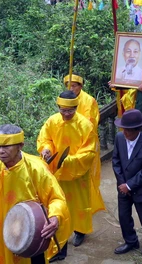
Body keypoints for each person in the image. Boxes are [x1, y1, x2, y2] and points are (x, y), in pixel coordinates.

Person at [0, 124, 71, 264]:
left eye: (6, 147)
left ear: (20, 145)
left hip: (32, 230)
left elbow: (56, 198)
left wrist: (54, 217)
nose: (0, 151)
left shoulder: (37, 168)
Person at [37, 91, 105, 258]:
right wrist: (46, 149)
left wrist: (69, 161)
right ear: (58, 107)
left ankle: (80, 230)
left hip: (76, 174)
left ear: (76, 108)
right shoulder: (52, 121)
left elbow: (89, 152)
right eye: (62, 110)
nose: (66, 113)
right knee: (57, 205)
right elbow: (45, 139)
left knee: (78, 205)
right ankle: (59, 240)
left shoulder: (85, 125)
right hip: (56, 172)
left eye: (70, 110)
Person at [112, 109, 142, 256]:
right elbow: (116, 161)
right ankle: (131, 241)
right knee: (124, 216)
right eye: (124, 129)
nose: (125, 133)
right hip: (123, 187)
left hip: (141, 189)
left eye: (129, 131)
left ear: (138, 130)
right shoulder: (119, 138)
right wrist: (122, 183)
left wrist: (129, 185)